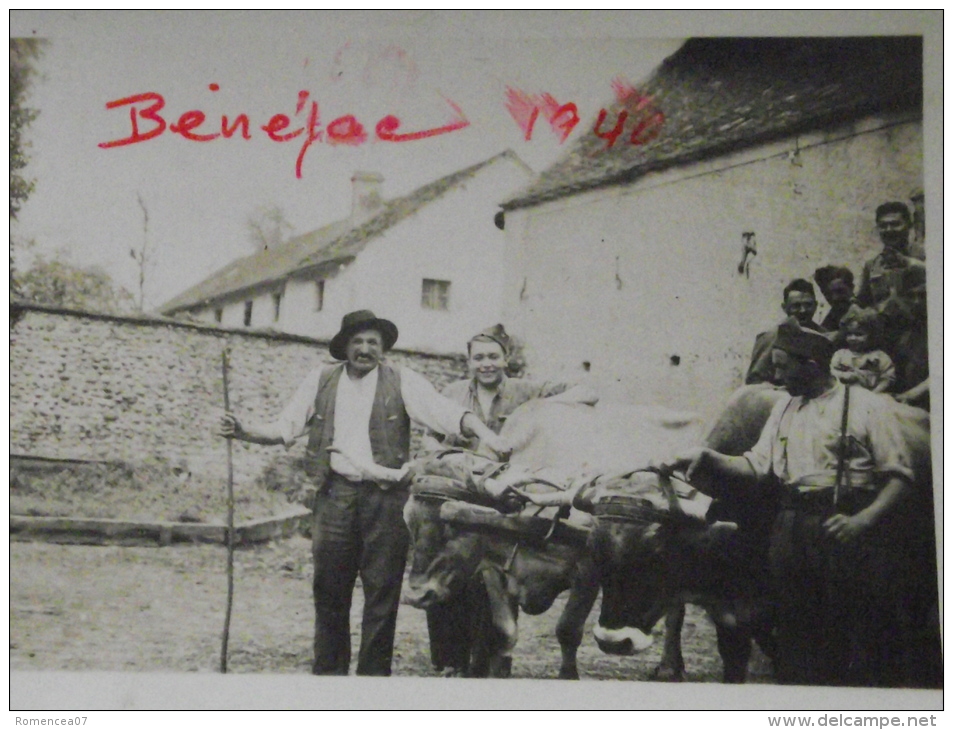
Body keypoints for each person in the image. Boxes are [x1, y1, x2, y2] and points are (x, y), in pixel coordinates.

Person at [218, 309, 509, 676]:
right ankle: (329, 680)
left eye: (374, 342)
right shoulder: (321, 380)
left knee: (382, 595)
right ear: (345, 347)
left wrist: (489, 435)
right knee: (329, 591)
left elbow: (447, 413)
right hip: (334, 497)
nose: (366, 349)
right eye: (358, 341)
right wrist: (242, 430)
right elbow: (283, 428)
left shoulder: (402, 381)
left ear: (383, 348)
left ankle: (372, 684)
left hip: (386, 501)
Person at [662, 320, 936, 687]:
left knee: (855, 629)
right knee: (796, 632)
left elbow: (900, 477)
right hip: (791, 529)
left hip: (845, 527)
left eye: (781, 366)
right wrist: (707, 456)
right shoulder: (784, 409)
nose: (774, 375)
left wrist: (864, 521)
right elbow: (756, 467)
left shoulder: (868, 407)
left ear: (810, 365)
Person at [423, 324, 597, 676]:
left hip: (505, 496)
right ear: (468, 361)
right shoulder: (452, 393)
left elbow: (587, 392)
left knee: (493, 578)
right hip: (460, 490)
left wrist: (543, 409)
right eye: (478, 358)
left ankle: (493, 656)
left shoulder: (525, 391)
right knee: (444, 571)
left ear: (507, 359)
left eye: (493, 356)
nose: (486, 364)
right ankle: (449, 661)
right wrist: (446, 459)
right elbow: (430, 437)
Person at [744, 279, 826, 386]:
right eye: (796, 306)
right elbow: (754, 380)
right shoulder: (771, 336)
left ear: (815, 305)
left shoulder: (824, 336)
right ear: (784, 308)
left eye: (808, 305)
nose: (803, 310)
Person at [857, 201, 925, 310]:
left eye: (895, 224)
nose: (889, 230)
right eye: (883, 226)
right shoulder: (872, 266)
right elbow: (862, 304)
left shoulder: (926, 257)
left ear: (909, 225)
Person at [830, 305, 895, 393]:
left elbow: (887, 378)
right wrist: (846, 376)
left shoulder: (879, 356)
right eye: (849, 334)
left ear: (872, 335)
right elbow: (832, 372)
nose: (853, 338)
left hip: (871, 396)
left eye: (859, 334)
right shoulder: (841, 355)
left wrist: (875, 393)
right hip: (844, 395)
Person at [813, 265, 856, 333]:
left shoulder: (867, 313)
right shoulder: (829, 321)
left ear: (851, 288)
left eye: (840, 291)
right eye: (828, 294)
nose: (834, 298)